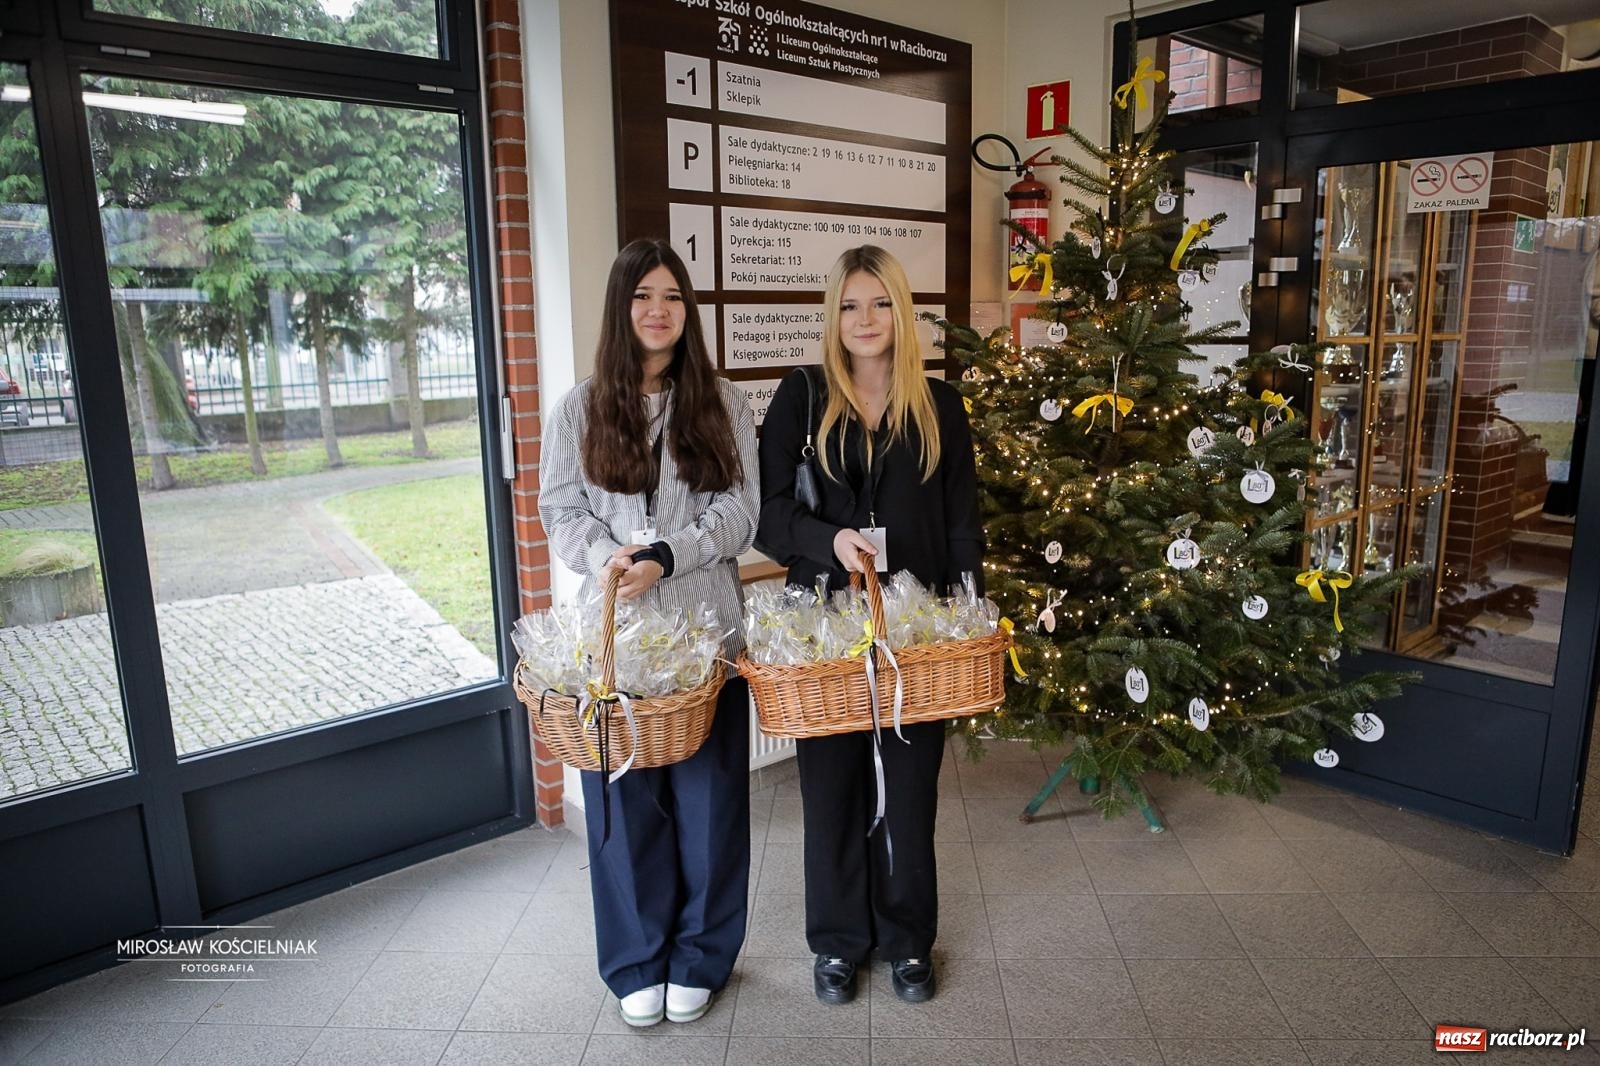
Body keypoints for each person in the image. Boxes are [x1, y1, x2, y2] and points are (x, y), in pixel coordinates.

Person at [539, 238, 759, 1027]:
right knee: (622, 806)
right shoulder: (580, 406)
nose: (658, 310)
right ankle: (636, 958)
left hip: (708, 639)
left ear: (687, 310)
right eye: (642, 296)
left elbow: (739, 513)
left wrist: (665, 558)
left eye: (671, 295)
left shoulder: (723, 404)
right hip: (617, 646)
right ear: (621, 309)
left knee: (710, 807)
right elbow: (560, 512)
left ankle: (701, 952)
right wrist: (610, 561)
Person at [755, 245, 983, 1006]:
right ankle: (838, 942)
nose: (864, 320)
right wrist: (831, 542)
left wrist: (969, 613)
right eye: (850, 305)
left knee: (911, 789)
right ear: (834, 314)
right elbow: (768, 516)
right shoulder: (802, 396)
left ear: (900, 313)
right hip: (822, 625)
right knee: (832, 790)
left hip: (917, 631)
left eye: (879, 303)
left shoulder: (941, 404)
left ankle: (908, 939)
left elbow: (961, 524)